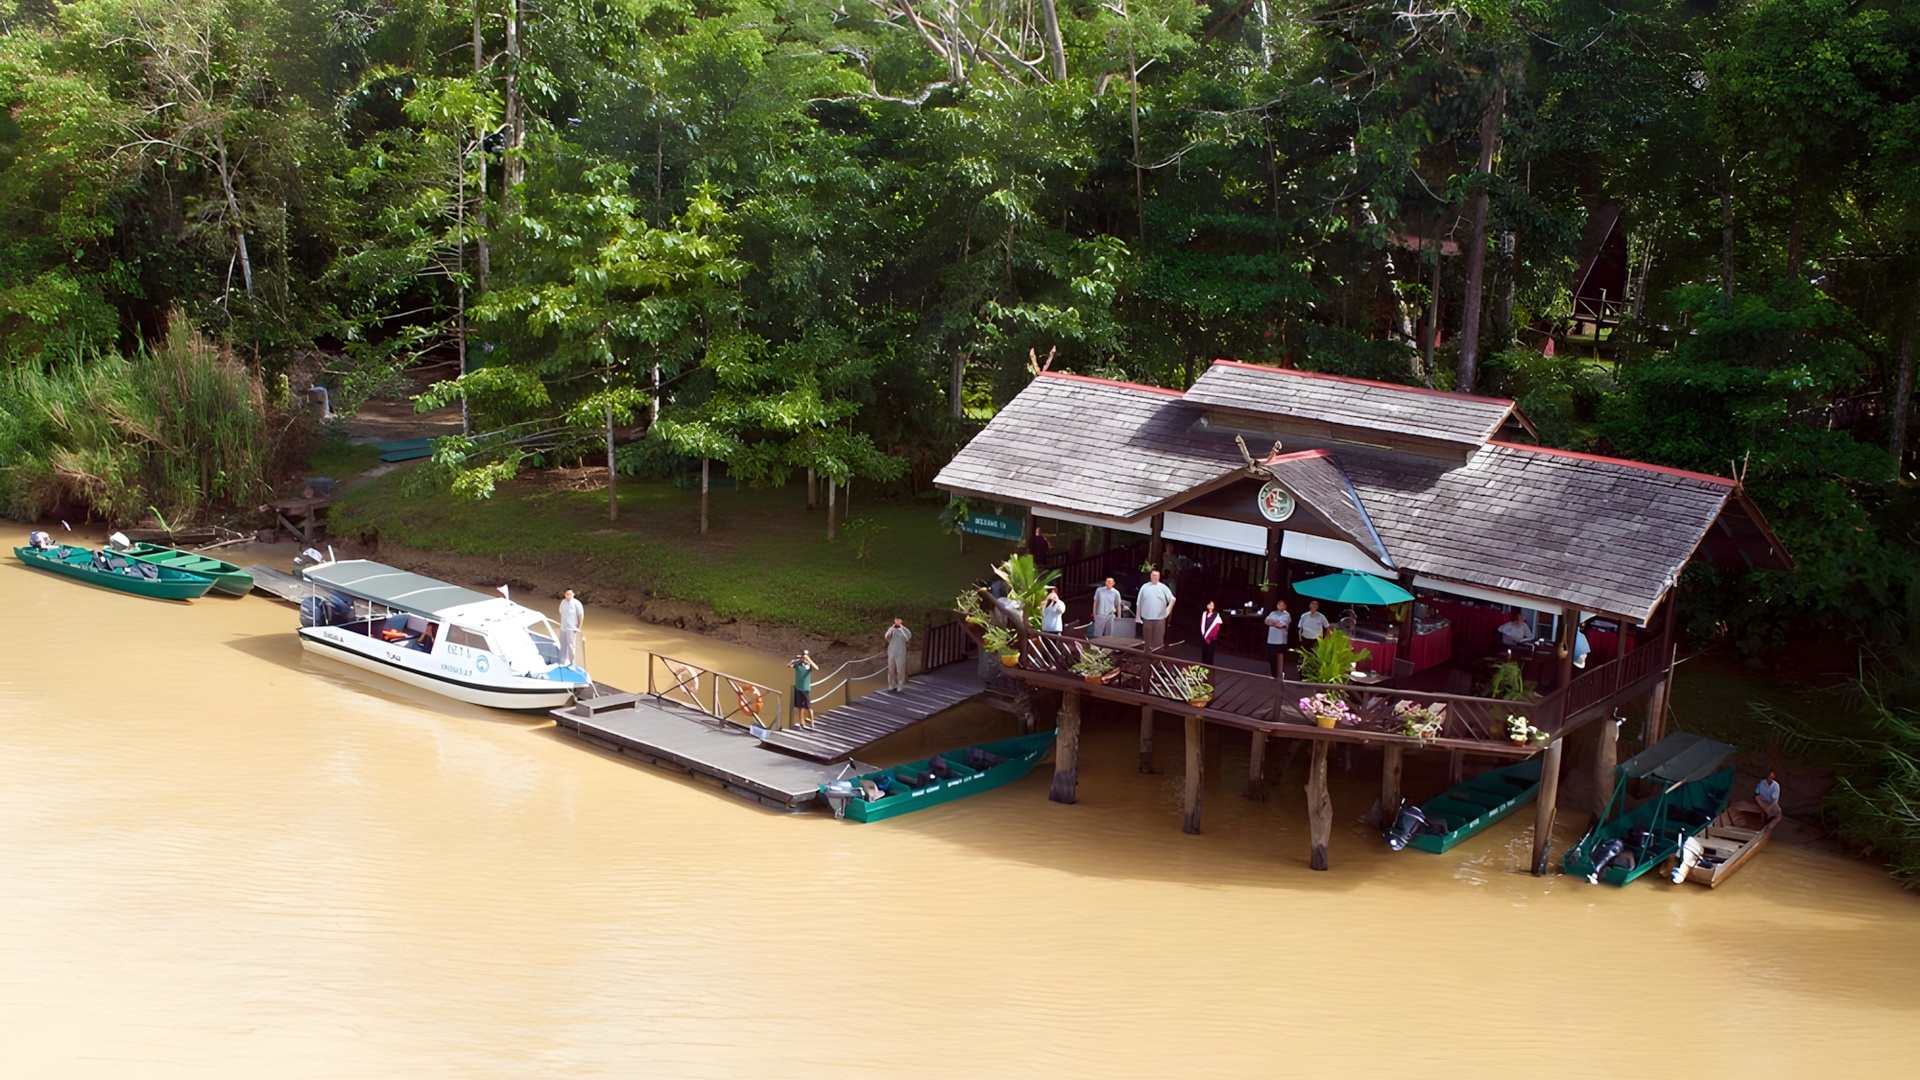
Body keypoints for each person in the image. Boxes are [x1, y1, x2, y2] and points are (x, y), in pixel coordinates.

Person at [1136, 570, 1176, 652]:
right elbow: (1139, 602)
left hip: (1160, 618)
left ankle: (1157, 656)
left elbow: (1172, 599)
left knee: (1158, 638)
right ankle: (1147, 654)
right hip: (1147, 617)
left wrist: (1168, 610)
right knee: (1147, 638)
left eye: (1157, 575)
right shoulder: (1144, 587)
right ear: (1150, 576)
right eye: (1153, 575)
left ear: (1159, 577)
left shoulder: (1163, 587)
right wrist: (1138, 616)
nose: (1155, 577)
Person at [790, 650, 820, 729]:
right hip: (798, 688)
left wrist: (809, 660)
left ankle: (812, 723)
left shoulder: (808, 666)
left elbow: (816, 668)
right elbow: (789, 665)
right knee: (800, 706)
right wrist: (797, 660)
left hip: (805, 689)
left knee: (808, 707)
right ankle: (801, 722)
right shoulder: (798, 664)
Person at [1263, 601, 1291, 679]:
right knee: (1271, 658)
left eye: (1282, 605)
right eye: (1279, 605)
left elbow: (1282, 625)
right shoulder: (1273, 613)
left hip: (1280, 641)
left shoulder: (1286, 615)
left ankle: (1280, 674)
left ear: (1285, 606)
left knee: (1279, 659)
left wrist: (1273, 623)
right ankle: (1273, 674)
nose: (1281, 606)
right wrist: (1275, 623)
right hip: (1271, 639)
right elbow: (1266, 621)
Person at [883, 618, 912, 692]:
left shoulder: (904, 630)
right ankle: (892, 684)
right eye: (896, 621)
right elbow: (886, 637)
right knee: (891, 669)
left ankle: (900, 684)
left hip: (901, 652)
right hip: (892, 652)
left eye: (898, 621)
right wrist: (892, 628)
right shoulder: (891, 629)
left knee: (900, 669)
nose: (897, 622)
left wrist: (901, 627)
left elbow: (909, 636)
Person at [558, 589, 585, 667]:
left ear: (573, 595)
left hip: (572, 628)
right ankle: (563, 661)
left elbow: (581, 616)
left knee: (571, 646)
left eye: (569, 594)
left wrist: (578, 627)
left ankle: (572, 663)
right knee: (563, 644)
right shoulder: (563, 602)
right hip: (563, 627)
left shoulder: (577, 603)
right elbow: (561, 612)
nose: (567, 596)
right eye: (566, 594)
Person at [1198, 601, 1222, 666]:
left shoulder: (1216, 616)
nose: (1210, 607)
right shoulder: (1204, 614)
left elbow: (1216, 628)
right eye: (1209, 605)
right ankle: (1203, 664)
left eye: (1212, 605)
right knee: (1204, 652)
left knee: (1210, 653)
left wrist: (1210, 635)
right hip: (1204, 636)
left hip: (1212, 638)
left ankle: (1209, 666)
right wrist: (1204, 634)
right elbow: (1202, 623)